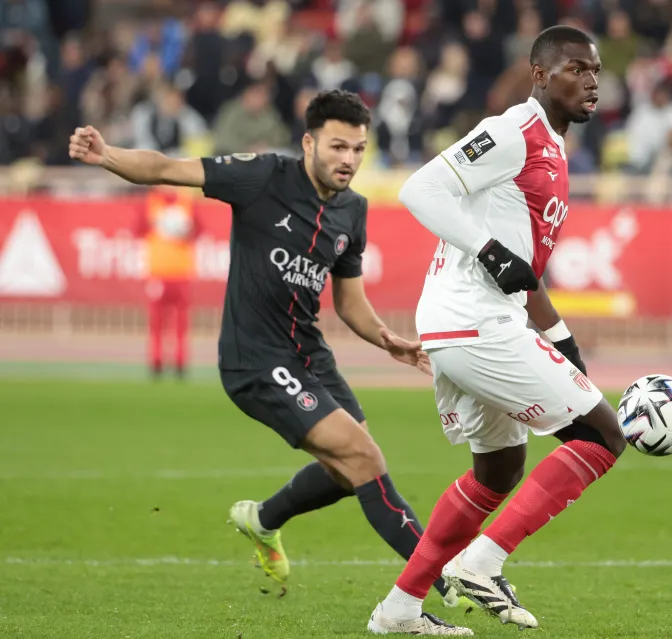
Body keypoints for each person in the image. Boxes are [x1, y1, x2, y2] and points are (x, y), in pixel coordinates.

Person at [67, 90, 461, 605]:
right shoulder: (262, 176)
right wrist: (108, 155)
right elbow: (167, 167)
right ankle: (446, 583)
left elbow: (350, 303)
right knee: (366, 458)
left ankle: (263, 519)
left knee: (348, 474)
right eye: (338, 146)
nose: (349, 160)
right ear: (308, 143)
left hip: (310, 356)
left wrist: (387, 339)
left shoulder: (354, 211)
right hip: (254, 359)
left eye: (358, 149)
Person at [367, 26, 627, 636]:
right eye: (575, 69)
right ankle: (482, 563)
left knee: (501, 468)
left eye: (595, 71)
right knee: (602, 437)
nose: (590, 81)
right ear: (540, 75)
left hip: (474, 324)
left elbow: (522, 270)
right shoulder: (515, 130)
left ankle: (400, 610)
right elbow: (419, 187)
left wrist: (561, 340)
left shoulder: (557, 151)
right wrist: (486, 250)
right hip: (473, 321)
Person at [136, 186, 198, 379]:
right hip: (158, 272)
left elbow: (198, 232)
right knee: (157, 323)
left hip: (180, 272)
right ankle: (156, 361)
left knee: (180, 323)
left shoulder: (187, 203)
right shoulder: (151, 204)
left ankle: (180, 362)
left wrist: (186, 229)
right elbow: (138, 230)